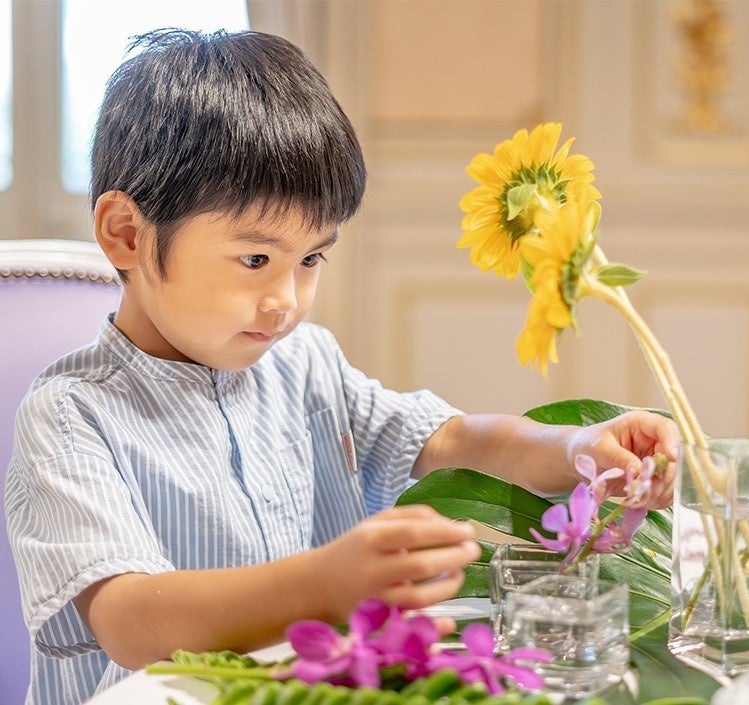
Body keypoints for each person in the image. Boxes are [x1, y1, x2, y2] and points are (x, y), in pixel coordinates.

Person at [3, 29, 678, 705]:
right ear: (125, 233)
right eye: (255, 259)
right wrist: (323, 584)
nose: (285, 300)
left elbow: (449, 438)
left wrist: (573, 446)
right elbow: (128, 618)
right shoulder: (70, 415)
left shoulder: (305, 365)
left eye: (311, 260)